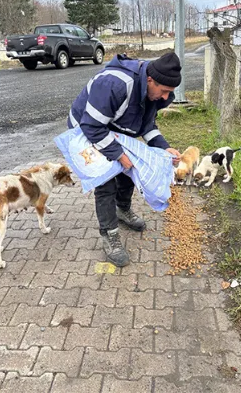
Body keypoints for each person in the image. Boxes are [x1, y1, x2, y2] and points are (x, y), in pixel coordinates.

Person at [69, 51, 182, 267]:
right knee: (105, 178)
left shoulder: (152, 93)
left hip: (115, 128)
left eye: (171, 92)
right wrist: (118, 155)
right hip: (85, 128)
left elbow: (146, 126)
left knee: (132, 167)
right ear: (150, 80)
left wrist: (164, 148)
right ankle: (109, 235)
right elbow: (92, 126)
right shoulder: (115, 84)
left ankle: (122, 209)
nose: (166, 97)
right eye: (165, 91)